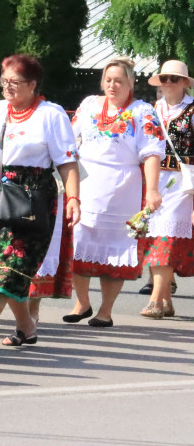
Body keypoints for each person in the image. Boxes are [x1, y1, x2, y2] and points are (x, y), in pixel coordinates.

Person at [0, 55, 80, 349]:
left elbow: (67, 162)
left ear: (33, 84)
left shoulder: (51, 114)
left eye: (15, 82)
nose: (8, 87)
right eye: (4, 81)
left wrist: (74, 198)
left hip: (29, 197)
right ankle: (26, 325)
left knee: (9, 261)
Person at [66, 58, 164, 327]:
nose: (112, 85)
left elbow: (152, 151)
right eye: (108, 80)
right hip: (86, 183)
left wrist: (153, 189)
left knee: (115, 250)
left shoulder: (142, 111)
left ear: (131, 82)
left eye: (119, 80)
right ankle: (82, 302)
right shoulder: (88, 105)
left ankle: (105, 311)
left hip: (122, 187)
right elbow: (69, 140)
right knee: (78, 242)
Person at [141, 60, 194, 318]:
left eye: (174, 78)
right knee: (153, 237)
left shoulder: (193, 110)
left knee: (168, 237)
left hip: (182, 183)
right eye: (165, 79)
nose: (169, 83)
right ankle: (166, 300)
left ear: (185, 82)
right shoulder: (151, 110)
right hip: (152, 179)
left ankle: (154, 299)